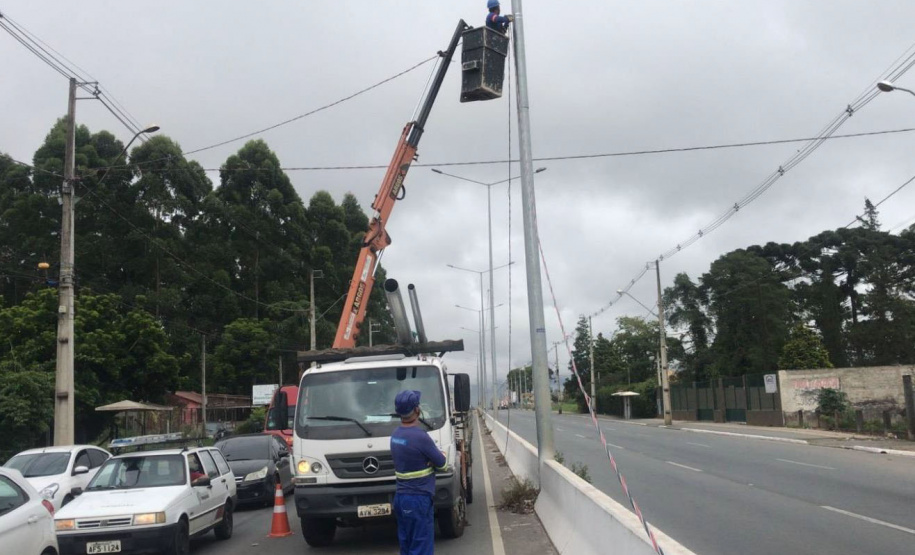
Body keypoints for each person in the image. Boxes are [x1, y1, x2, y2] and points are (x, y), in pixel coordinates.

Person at [390, 390, 448, 555]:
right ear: (417, 410)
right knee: (421, 546)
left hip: (401, 498)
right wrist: (437, 457)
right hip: (419, 498)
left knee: (406, 545)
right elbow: (443, 464)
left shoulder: (395, 436)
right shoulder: (420, 437)